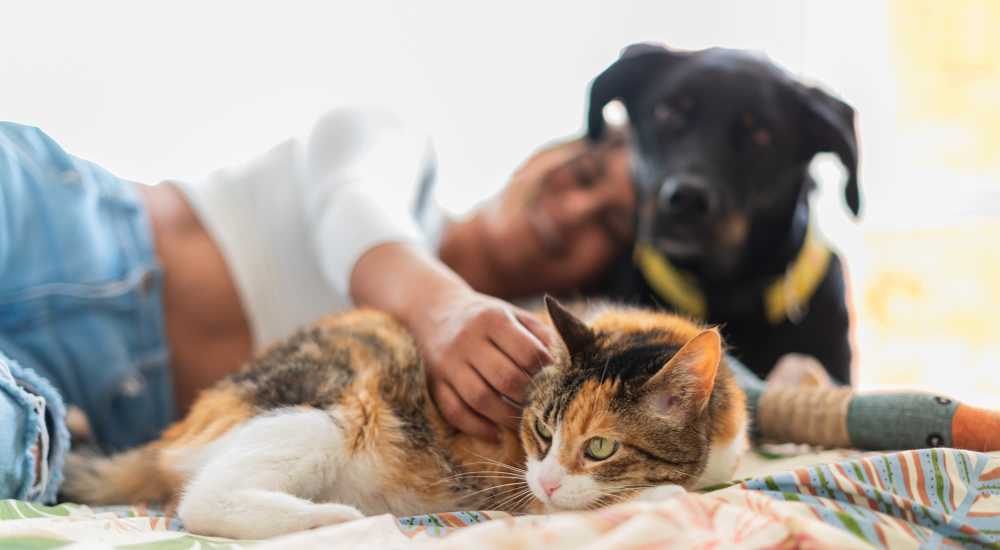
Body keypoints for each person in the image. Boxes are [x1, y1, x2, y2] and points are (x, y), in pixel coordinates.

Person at [2, 107, 997, 504]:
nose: (576, 210)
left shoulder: (545, 368)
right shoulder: (398, 155)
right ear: (547, 149)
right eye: (584, 171)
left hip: (73, 403)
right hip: (62, 225)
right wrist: (441, 313)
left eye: (612, 222)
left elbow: (712, 387)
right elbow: (359, 219)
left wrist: (839, 403)